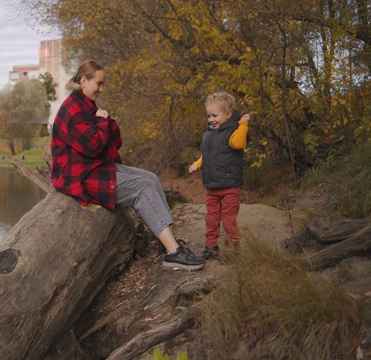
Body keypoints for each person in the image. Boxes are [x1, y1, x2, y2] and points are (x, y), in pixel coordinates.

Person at [51, 59, 205, 271]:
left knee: (151, 178)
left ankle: (169, 242)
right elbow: (95, 145)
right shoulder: (72, 109)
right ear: (84, 81)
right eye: (99, 84)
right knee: (142, 187)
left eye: (103, 84)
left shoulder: (86, 105)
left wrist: (104, 122)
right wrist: (103, 122)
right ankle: (173, 254)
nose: (101, 89)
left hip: (94, 167)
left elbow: (114, 141)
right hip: (79, 177)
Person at [188, 90, 250, 260]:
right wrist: (198, 164)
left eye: (215, 115)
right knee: (211, 217)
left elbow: (238, 144)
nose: (211, 120)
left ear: (228, 114)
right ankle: (211, 246)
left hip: (229, 184)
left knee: (228, 219)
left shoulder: (235, 131)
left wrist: (243, 125)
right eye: (209, 116)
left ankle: (233, 249)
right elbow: (208, 154)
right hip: (212, 185)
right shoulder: (209, 133)